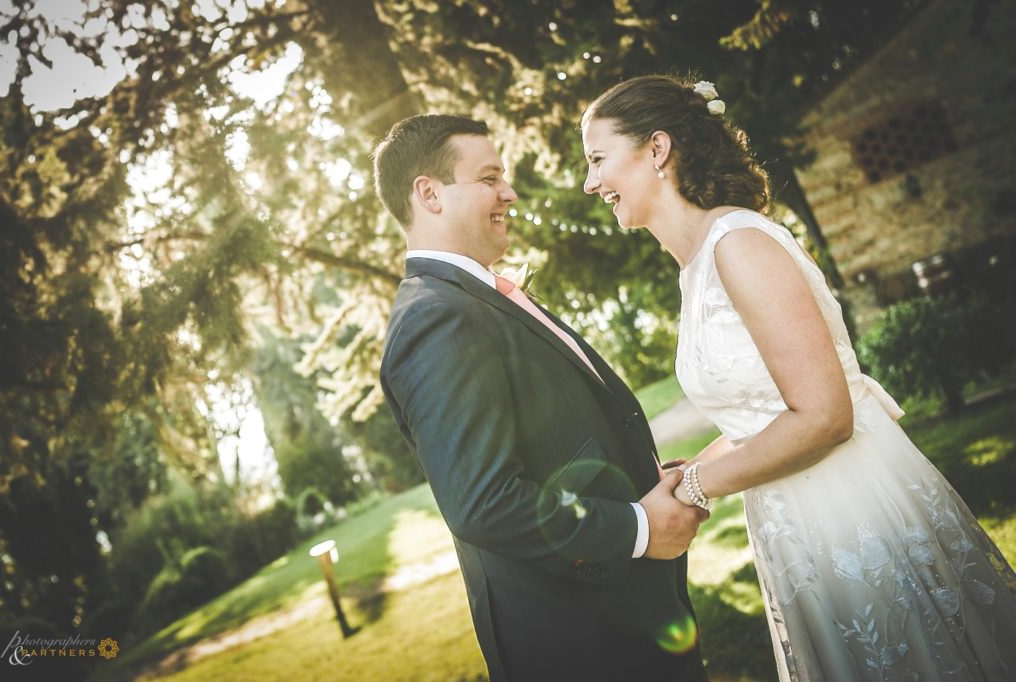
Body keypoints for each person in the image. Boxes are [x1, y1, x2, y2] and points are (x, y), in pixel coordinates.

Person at [581, 74, 1016, 681]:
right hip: (795, 521)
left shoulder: (738, 244)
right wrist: (682, 469)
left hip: (851, 506)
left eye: (598, 159)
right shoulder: (697, 264)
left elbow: (825, 416)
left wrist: (695, 488)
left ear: (656, 150)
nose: (590, 181)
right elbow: (761, 413)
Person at [373, 114, 710, 681]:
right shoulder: (436, 318)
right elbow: (484, 503)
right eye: (488, 179)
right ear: (429, 194)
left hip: (625, 621)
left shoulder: (473, 298)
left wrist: (642, 477)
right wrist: (639, 527)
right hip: (582, 645)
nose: (509, 192)